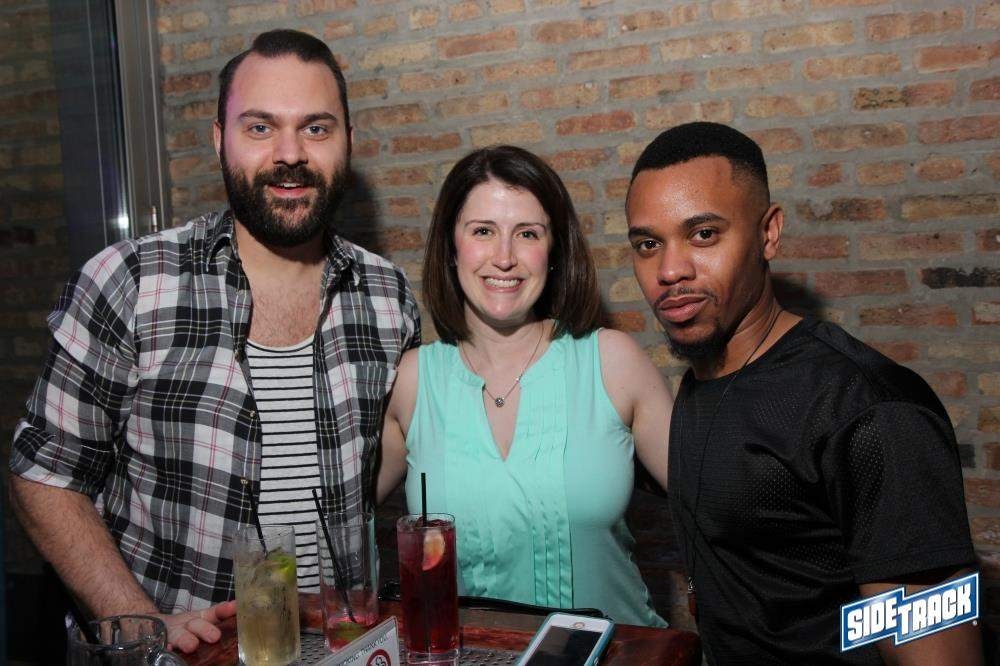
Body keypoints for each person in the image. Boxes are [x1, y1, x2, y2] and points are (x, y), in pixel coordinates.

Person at [9, 29, 419, 653]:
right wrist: (140, 625)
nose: (290, 153)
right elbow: (44, 476)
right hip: (181, 656)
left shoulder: (387, 296)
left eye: (316, 128)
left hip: (341, 648)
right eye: (260, 127)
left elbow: (370, 470)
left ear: (348, 142)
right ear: (219, 138)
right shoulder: (130, 282)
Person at [626, 121, 980, 663]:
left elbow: (938, 658)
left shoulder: (870, 410)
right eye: (648, 244)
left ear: (768, 233)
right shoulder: (707, 375)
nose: (670, 270)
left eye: (704, 235)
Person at [377, 145, 671, 627]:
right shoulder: (413, 380)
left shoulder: (613, 361)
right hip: (471, 657)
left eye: (528, 233)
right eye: (483, 231)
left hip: (615, 654)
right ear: (451, 248)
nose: (505, 258)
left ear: (553, 252)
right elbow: (337, 520)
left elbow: (716, 508)